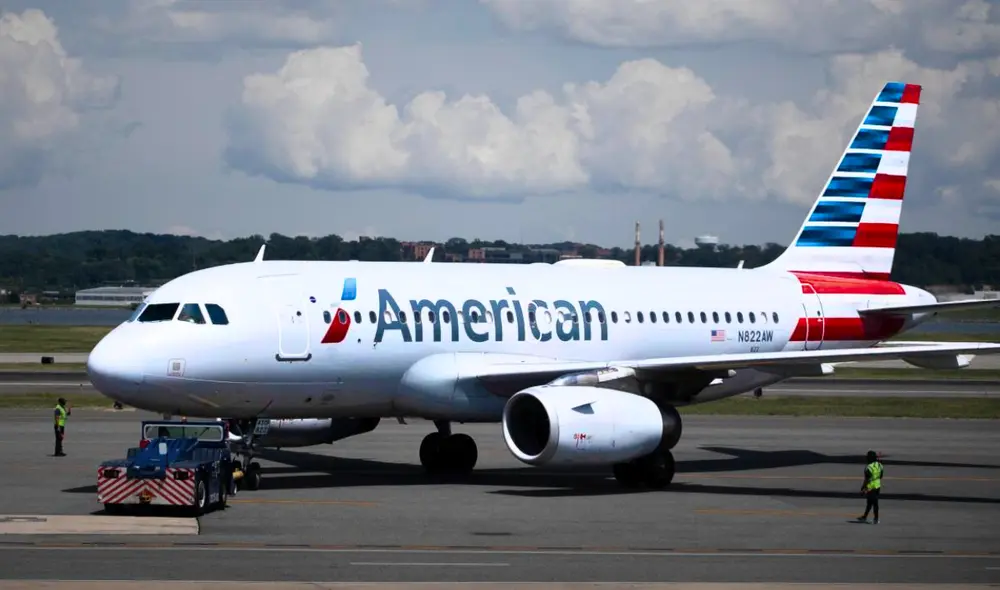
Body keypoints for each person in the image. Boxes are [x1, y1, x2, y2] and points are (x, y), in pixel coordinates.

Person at [857, 450, 882, 524]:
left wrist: (863, 488)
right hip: (877, 486)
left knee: (874, 503)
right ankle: (864, 517)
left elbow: (866, 480)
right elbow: (881, 476)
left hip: (871, 488)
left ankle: (876, 519)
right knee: (870, 503)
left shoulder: (868, 467)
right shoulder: (880, 465)